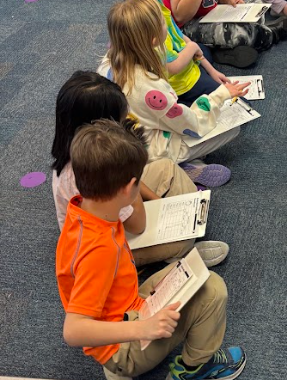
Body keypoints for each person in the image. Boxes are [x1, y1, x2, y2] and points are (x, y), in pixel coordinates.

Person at [56, 118, 246, 380]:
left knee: (189, 272)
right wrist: (143, 329)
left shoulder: (84, 211)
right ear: (128, 188)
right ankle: (192, 372)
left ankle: (119, 361)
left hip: (124, 308)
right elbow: (73, 331)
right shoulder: (99, 249)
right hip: (125, 342)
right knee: (213, 289)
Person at [51, 71, 229, 267]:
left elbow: (132, 187)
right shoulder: (93, 172)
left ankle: (176, 233)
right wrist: (133, 183)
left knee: (166, 168)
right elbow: (137, 225)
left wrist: (158, 202)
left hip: (117, 204)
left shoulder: (85, 152)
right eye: (120, 120)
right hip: (107, 247)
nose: (125, 119)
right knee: (183, 239)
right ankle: (181, 254)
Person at [99, 0, 247, 184]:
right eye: (163, 22)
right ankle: (174, 168)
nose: (167, 25)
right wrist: (222, 94)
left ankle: (178, 167)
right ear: (154, 38)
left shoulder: (109, 62)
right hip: (151, 149)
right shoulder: (150, 87)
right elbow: (191, 123)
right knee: (232, 127)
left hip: (127, 139)